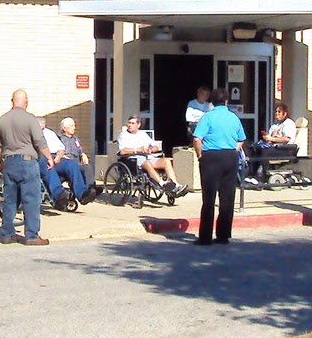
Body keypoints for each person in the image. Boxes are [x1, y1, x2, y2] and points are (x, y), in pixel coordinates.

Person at [0, 89, 48, 245]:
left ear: (12, 101)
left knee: (10, 200)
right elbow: (39, 142)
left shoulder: (2, 120)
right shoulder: (30, 119)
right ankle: (31, 235)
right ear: (26, 102)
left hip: (9, 162)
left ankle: (7, 234)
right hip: (27, 163)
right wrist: (49, 158)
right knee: (31, 199)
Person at [192, 87, 244, 244]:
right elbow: (241, 139)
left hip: (211, 157)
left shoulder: (207, 117)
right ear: (227, 101)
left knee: (209, 198)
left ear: (212, 102)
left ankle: (205, 237)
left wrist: (200, 155)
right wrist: (233, 150)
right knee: (227, 198)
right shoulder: (234, 118)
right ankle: (223, 235)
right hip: (230, 156)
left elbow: (196, 138)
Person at [117, 116, 188, 197]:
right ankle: (163, 184)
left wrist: (151, 149)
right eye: (129, 123)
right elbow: (122, 151)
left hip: (147, 156)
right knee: (147, 163)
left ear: (138, 125)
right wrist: (138, 150)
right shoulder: (123, 135)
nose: (130, 125)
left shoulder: (143, 134)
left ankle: (176, 185)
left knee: (166, 161)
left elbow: (154, 146)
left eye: (133, 123)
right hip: (132, 159)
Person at [248, 99, 298, 185]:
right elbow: (270, 137)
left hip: (285, 149)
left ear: (285, 113)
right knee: (254, 149)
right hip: (274, 147)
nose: (277, 113)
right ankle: (251, 175)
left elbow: (287, 139)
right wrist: (266, 138)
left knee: (265, 152)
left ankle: (261, 178)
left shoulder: (288, 123)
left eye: (279, 112)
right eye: (276, 111)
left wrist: (273, 139)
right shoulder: (275, 124)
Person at [39, 118, 88, 203]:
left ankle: (82, 194)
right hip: (41, 157)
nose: (42, 129)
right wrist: (49, 158)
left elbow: (61, 148)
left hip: (55, 157)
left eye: (43, 127)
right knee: (47, 165)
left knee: (71, 164)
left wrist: (58, 156)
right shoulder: (30, 134)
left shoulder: (49, 133)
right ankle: (58, 194)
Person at [57, 117, 98, 203]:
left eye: (74, 126)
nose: (74, 128)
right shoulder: (58, 138)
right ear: (64, 128)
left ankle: (90, 189)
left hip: (76, 163)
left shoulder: (75, 139)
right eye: (71, 126)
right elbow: (53, 151)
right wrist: (62, 156)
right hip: (64, 165)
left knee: (87, 167)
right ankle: (82, 196)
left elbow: (80, 150)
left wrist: (83, 154)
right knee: (72, 168)